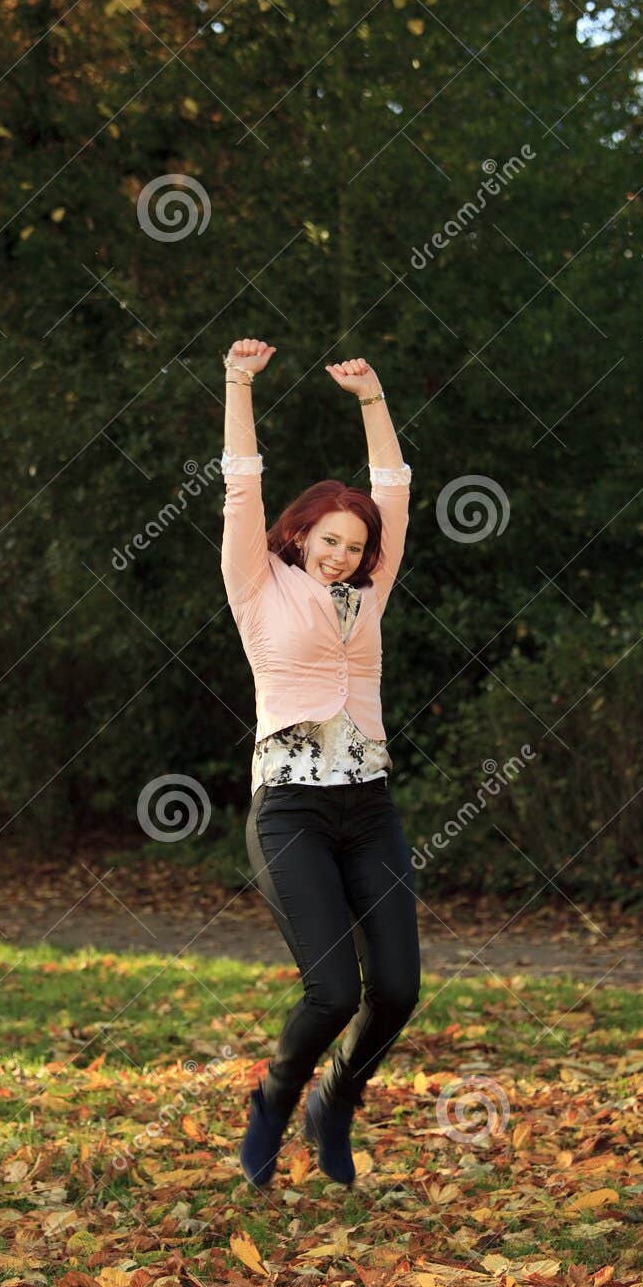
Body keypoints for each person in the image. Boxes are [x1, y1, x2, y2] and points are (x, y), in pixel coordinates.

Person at [220, 337, 422, 1189]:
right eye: (329, 541)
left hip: (367, 805)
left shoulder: (369, 592)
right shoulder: (257, 581)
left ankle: (333, 1101)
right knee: (332, 990)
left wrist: (373, 400)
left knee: (399, 989)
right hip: (290, 811)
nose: (342, 555)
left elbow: (395, 493)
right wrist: (238, 384)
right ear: (301, 535)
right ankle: (275, 1095)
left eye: (354, 546)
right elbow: (240, 481)